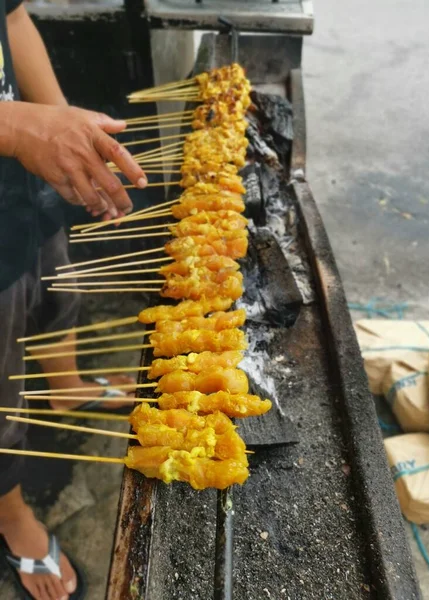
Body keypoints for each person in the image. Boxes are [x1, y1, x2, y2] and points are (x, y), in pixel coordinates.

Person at [0, 1, 148, 598]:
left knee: (54, 283)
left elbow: (11, 17)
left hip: (17, 175)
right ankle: (10, 514)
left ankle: (65, 384)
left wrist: (62, 128)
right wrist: (16, 127)